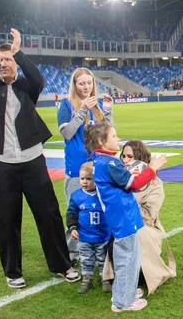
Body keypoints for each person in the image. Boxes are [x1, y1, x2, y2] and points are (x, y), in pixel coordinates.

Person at [0, 30, 80, 289]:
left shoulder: (25, 88)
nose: (5, 64)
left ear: (17, 64)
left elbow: (37, 78)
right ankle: (13, 271)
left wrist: (17, 51)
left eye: (10, 60)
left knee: (48, 214)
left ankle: (62, 264)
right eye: (1, 61)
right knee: (5, 219)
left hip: (32, 161)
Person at [84, 122, 167, 312]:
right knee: (127, 260)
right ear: (101, 141)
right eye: (114, 136)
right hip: (124, 218)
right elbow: (135, 183)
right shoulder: (110, 162)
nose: (118, 139)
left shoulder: (100, 161)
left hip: (120, 217)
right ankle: (123, 301)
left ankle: (124, 291)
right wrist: (152, 167)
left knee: (127, 258)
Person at [102, 141, 176, 296]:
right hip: (119, 224)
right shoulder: (119, 178)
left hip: (146, 227)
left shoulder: (155, 184)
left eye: (130, 156)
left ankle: (134, 278)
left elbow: (149, 215)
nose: (125, 160)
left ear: (141, 158)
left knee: (134, 232)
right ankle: (109, 274)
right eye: (124, 156)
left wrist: (125, 206)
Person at [57, 67, 113, 263]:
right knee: (77, 211)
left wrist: (107, 112)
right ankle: (71, 254)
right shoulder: (65, 105)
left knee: (97, 211)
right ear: (74, 85)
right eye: (81, 83)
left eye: (89, 83)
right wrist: (82, 111)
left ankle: (97, 253)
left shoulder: (96, 105)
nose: (86, 87)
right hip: (76, 169)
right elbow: (67, 133)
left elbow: (108, 135)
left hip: (97, 166)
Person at [66, 162, 110, 294]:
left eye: (89, 179)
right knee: (86, 258)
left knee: (103, 258)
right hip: (84, 236)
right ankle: (87, 278)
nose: (85, 182)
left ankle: (105, 278)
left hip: (102, 235)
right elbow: (71, 213)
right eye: (82, 179)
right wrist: (73, 228)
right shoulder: (76, 196)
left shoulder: (103, 194)